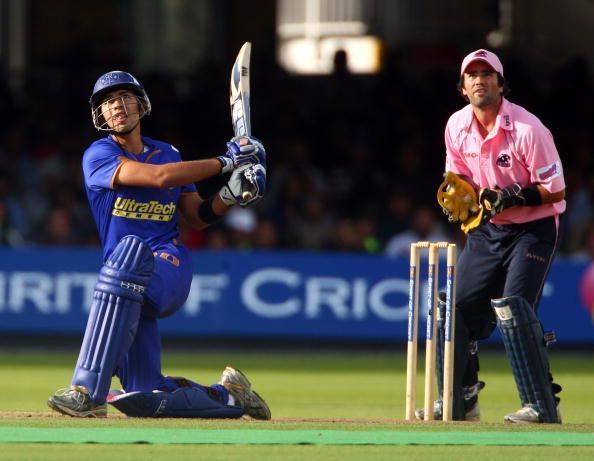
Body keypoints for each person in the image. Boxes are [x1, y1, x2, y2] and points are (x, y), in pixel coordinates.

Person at [47, 71, 270, 419]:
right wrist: (227, 164)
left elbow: (195, 216)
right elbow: (158, 178)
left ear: (141, 104)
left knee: (130, 253)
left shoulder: (168, 152)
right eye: (107, 102)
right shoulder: (98, 154)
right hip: (125, 287)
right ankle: (229, 396)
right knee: (143, 393)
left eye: (124, 97)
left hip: (167, 266)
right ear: (100, 116)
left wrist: (230, 196)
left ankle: (87, 393)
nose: (116, 106)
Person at [430, 50, 565, 423]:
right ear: (462, 87)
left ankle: (541, 404)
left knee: (514, 308)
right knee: (452, 308)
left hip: (532, 229)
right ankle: (461, 398)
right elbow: (457, 181)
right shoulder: (456, 125)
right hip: (488, 230)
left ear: (501, 84)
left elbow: (556, 190)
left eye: (487, 74)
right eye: (472, 75)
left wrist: (515, 195)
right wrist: (460, 199)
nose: (479, 80)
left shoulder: (527, 128)